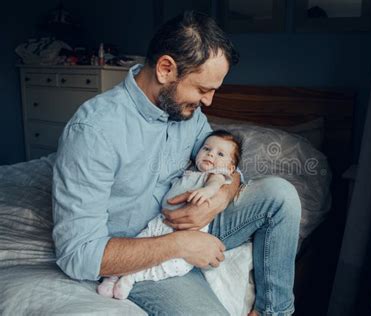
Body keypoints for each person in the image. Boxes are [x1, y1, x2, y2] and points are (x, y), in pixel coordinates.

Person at [52, 11, 301, 316]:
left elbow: (227, 166)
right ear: (166, 68)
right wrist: (181, 245)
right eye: (202, 89)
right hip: (140, 252)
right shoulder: (94, 131)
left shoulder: (188, 113)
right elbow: (79, 255)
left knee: (280, 195)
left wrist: (219, 197)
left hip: (197, 221)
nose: (208, 102)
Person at [97, 130, 241, 300]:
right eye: (206, 148)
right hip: (161, 222)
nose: (210, 154)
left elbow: (216, 183)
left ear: (230, 168)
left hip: (187, 232)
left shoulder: (215, 175)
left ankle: (131, 278)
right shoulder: (190, 170)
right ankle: (114, 275)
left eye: (220, 154)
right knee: (140, 244)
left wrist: (208, 191)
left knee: (177, 265)